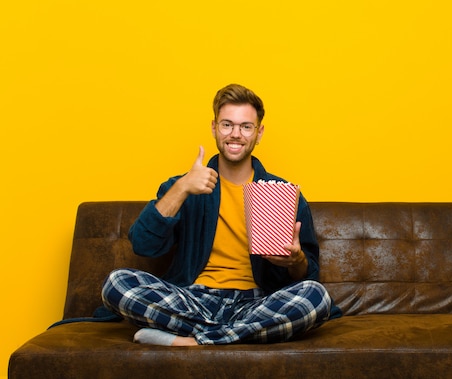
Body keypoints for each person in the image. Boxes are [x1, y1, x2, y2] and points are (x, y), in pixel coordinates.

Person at [101, 83, 340, 346]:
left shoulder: (284, 194)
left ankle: (191, 341)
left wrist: (296, 260)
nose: (235, 134)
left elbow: (310, 275)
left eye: (245, 127)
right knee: (116, 283)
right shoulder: (184, 186)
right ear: (214, 128)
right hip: (192, 300)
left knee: (316, 297)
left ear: (258, 133)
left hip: (257, 302)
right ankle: (232, 335)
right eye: (227, 125)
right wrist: (181, 188)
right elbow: (143, 245)